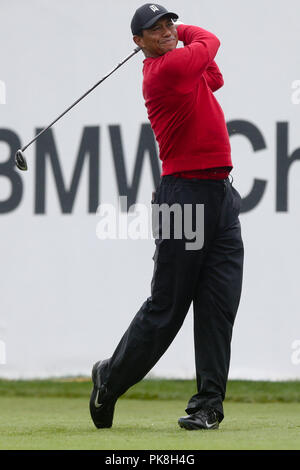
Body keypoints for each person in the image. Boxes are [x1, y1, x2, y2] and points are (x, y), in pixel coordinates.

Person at [89, 3, 244, 431]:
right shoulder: (164, 72)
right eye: (152, 30)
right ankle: (110, 377)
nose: (165, 31)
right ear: (137, 43)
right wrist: (179, 36)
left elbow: (215, 75)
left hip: (221, 196)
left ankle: (207, 406)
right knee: (168, 308)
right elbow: (210, 42)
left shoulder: (180, 63)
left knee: (218, 304)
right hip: (183, 199)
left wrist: (172, 34)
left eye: (168, 23)